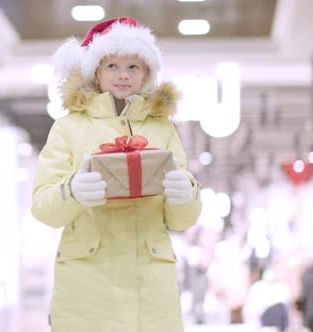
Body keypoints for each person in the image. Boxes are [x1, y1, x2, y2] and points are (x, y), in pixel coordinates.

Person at [31, 17, 202, 332]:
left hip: (150, 288)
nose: (123, 74)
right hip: (88, 285)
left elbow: (180, 220)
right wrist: (72, 191)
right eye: (112, 66)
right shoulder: (68, 127)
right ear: (96, 71)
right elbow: (43, 207)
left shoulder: (162, 128)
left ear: (146, 73)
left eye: (133, 67)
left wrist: (186, 195)